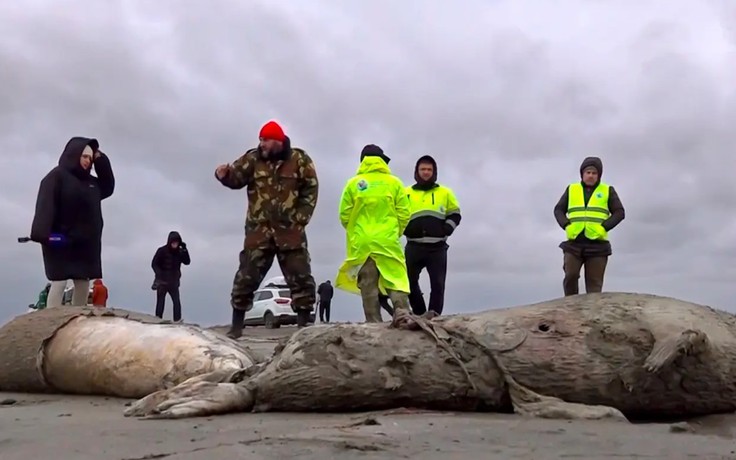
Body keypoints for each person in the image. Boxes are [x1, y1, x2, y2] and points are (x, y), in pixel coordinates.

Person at [215, 120, 319, 338]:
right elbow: (236, 178)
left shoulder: (299, 160)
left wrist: (301, 218)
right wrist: (223, 175)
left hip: (290, 230)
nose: (261, 143)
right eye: (260, 139)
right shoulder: (252, 159)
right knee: (246, 276)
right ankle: (236, 326)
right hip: (259, 230)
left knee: (300, 275)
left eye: (265, 140)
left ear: (278, 140)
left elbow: (311, 187)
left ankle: (303, 325)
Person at [30, 137, 115, 307]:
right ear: (74, 154)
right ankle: (51, 318)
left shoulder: (92, 183)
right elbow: (45, 206)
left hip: (84, 244)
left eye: (90, 158)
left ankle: (78, 318)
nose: (87, 161)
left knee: (83, 282)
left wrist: (100, 158)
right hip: (60, 241)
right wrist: (45, 235)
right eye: (84, 156)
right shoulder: (56, 177)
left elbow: (108, 185)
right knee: (59, 281)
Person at [335, 144, 411, 323]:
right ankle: (403, 315)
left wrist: (357, 232)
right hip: (387, 240)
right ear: (382, 161)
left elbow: (344, 215)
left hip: (362, 242)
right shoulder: (395, 183)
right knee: (395, 278)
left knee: (368, 285)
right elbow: (405, 213)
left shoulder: (353, 183)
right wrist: (395, 232)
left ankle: (373, 323)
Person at [553, 156, 625, 296]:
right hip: (574, 243)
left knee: (594, 286)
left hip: (597, 245)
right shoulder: (572, 189)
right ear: (582, 174)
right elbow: (558, 210)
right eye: (588, 172)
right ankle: (570, 305)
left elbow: (619, 212)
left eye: (594, 173)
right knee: (571, 276)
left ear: (599, 175)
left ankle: (592, 315)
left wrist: (604, 227)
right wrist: (566, 225)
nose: (591, 176)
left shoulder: (607, 190)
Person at [403, 155, 461, 318]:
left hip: (437, 247)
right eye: (423, 169)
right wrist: (404, 229)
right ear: (417, 171)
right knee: (408, 282)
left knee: (437, 284)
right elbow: (396, 215)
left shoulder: (445, 192)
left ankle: (434, 315)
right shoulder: (405, 193)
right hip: (413, 246)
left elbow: (455, 214)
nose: (426, 172)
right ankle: (420, 312)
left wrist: (447, 228)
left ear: (434, 171)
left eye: (429, 169)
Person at [151, 231, 191, 322]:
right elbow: (154, 264)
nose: (175, 244)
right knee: (160, 302)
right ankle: (157, 320)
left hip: (174, 282)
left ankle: (177, 321)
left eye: (176, 242)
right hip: (162, 282)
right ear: (169, 242)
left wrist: (185, 250)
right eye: (173, 242)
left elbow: (187, 262)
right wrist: (159, 273)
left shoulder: (180, 252)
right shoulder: (161, 251)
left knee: (176, 303)